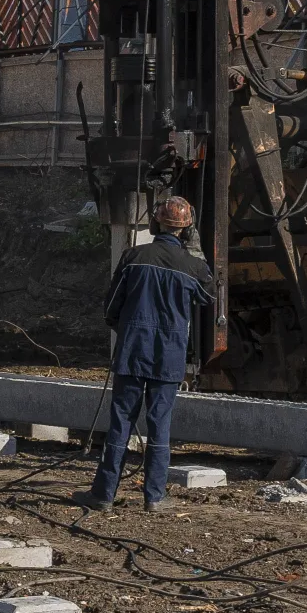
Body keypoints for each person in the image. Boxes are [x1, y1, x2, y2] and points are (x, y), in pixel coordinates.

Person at [82, 195, 218, 511]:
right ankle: (154, 497)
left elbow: (110, 309)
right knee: (160, 426)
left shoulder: (133, 257)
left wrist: (130, 331)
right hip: (169, 359)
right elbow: (209, 297)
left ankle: (103, 496)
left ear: (155, 223)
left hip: (132, 353)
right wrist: (196, 255)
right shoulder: (193, 267)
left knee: (120, 425)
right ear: (187, 230)